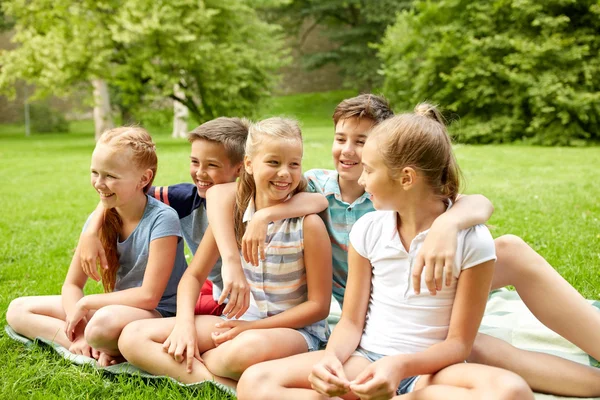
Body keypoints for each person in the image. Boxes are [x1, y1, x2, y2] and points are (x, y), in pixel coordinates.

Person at [216, 94, 600, 397]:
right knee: (257, 382)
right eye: (341, 139)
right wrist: (331, 360)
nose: (350, 155)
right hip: (370, 335)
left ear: (405, 175)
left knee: (506, 384)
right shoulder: (318, 188)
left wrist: (448, 225)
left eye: (364, 149)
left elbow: (473, 204)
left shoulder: (431, 216)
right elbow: (349, 322)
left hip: (427, 342)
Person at [117, 117, 332, 387]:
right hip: (237, 322)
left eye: (294, 164)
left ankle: (198, 368)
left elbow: (319, 307)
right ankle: (224, 385)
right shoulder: (232, 215)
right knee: (133, 336)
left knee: (243, 350)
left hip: (293, 331)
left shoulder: (308, 225)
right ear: (250, 165)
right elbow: (193, 278)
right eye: (274, 163)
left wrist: (250, 328)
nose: (285, 173)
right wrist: (184, 326)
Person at [6, 127, 187, 367]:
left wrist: (86, 303)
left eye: (111, 176)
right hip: (115, 309)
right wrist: (79, 328)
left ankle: (101, 344)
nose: (99, 184)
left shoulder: (163, 218)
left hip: (158, 314)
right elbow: (72, 285)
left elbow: (149, 296)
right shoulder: (98, 222)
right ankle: (83, 345)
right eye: (95, 172)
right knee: (18, 310)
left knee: (102, 324)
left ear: (144, 179)